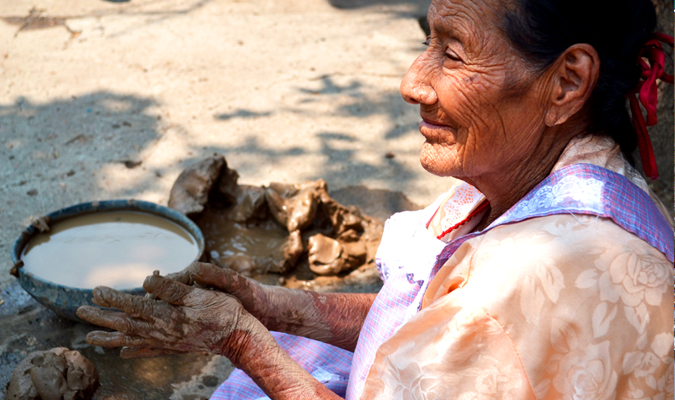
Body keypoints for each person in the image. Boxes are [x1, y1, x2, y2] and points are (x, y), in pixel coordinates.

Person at [77, 0, 675, 398]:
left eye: (454, 51)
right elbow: (424, 314)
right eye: (428, 41)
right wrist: (272, 307)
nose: (413, 81)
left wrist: (239, 337)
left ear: (567, 82)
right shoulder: (580, 174)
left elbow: (468, 323)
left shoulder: (518, 287)